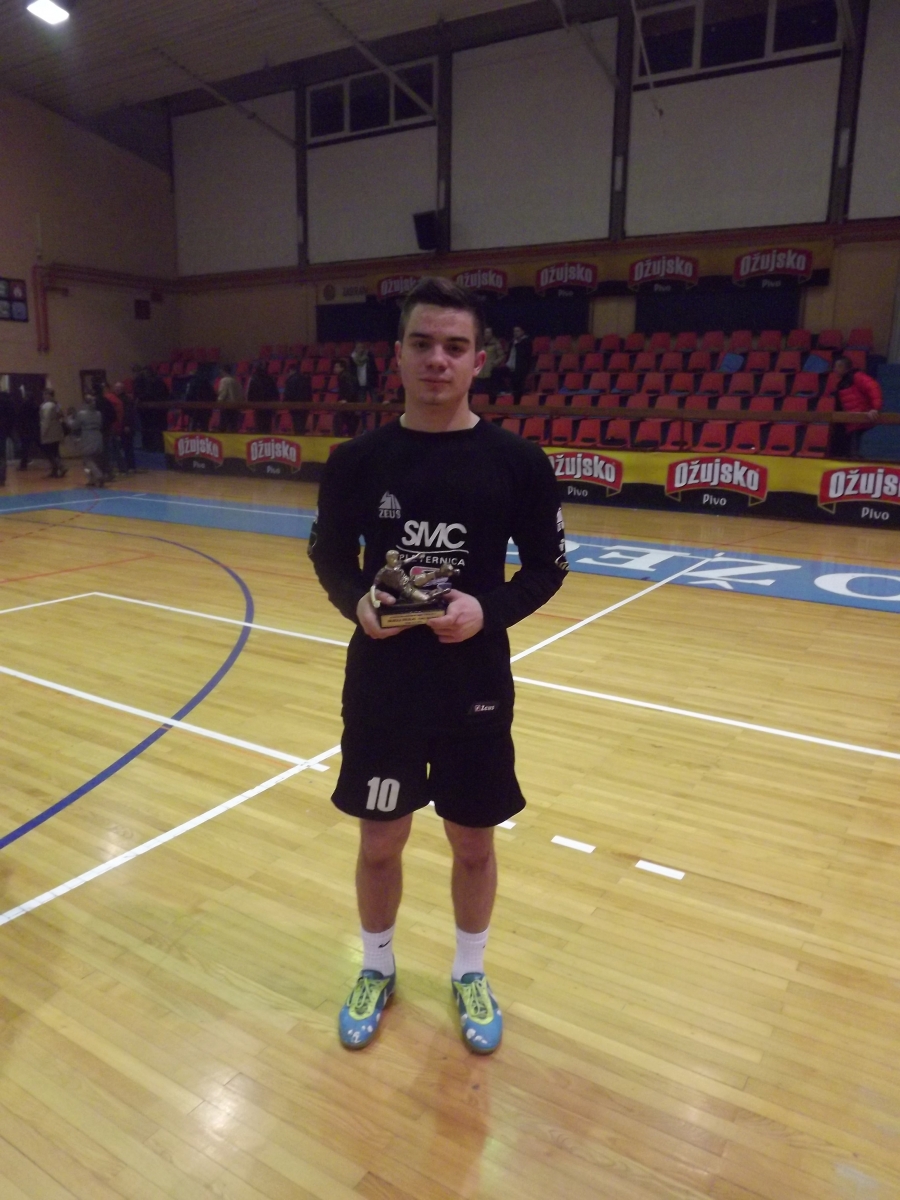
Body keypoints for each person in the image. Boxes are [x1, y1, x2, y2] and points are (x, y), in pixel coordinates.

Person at [309, 277, 568, 1054]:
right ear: (397, 354)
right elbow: (329, 555)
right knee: (379, 842)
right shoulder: (356, 460)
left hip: (473, 683)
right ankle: (376, 966)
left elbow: (547, 568)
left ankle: (469, 971)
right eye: (422, 343)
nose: (437, 360)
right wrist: (355, 601)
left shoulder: (518, 462)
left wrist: (488, 610)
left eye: (455, 347)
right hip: (384, 683)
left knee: (474, 844)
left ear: (479, 360)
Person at [831, 356, 883, 460]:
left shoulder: (857, 377)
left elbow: (873, 388)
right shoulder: (844, 381)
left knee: (853, 450)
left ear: (843, 367)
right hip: (849, 420)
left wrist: (875, 408)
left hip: (858, 419)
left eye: (837, 367)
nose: (835, 369)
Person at [66, 392, 105, 487]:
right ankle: (92, 479)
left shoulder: (82, 414)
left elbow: (74, 426)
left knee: (87, 459)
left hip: (88, 436)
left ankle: (98, 475)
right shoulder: (98, 414)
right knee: (95, 459)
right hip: (98, 436)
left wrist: (69, 419)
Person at [39, 386, 68, 479]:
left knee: (49, 451)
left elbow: (46, 420)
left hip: (49, 431)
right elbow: (61, 415)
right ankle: (55, 470)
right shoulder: (57, 404)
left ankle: (61, 467)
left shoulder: (47, 406)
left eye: (45, 394)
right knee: (55, 450)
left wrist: (43, 432)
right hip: (57, 430)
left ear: (48, 395)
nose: (43, 396)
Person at [499, 325, 533, 401]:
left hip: (520, 368)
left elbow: (525, 355)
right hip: (510, 366)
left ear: (522, 332)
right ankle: (504, 391)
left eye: (517, 331)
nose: (515, 333)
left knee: (517, 387)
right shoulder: (512, 342)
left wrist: (517, 344)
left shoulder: (526, 342)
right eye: (514, 331)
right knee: (496, 372)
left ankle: (516, 401)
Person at [473, 326, 505, 399]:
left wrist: (494, 363)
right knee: (478, 395)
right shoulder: (480, 343)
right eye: (486, 332)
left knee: (489, 394)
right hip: (480, 372)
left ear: (491, 334)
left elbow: (502, 355)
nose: (487, 334)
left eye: (489, 332)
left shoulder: (496, 343)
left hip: (490, 372)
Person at [282, 363, 312, 433]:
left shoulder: (290, 380)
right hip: (305, 406)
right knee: (302, 425)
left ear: (291, 370)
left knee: (297, 426)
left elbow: (288, 394)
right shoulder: (305, 379)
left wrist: (285, 402)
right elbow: (309, 393)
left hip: (295, 407)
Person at [334, 358, 359, 438]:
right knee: (348, 421)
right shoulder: (344, 375)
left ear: (342, 368)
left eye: (337, 367)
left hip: (348, 403)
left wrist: (346, 399)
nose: (335, 369)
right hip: (349, 402)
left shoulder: (344, 376)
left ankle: (338, 437)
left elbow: (350, 388)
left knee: (341, 420)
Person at [116, 381, 137, 474]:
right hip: (120, 426)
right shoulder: (117, 399)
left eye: (118, 388)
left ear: (122, 389)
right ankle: (125, 466)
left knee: (128, 447)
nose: (116, 390)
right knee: (123, 447)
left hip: (126, 426)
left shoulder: (126, 400)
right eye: (116, 388)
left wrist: (127, 425)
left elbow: (129, 413)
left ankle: (131, 466)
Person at [216, 365, 244, 433]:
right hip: (235, 408)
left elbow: (223, 394)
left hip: (226, 407)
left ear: (223, 371)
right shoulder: (236, 381)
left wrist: (218, 403)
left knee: (223, 429)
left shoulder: (224, 380)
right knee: (233, 428)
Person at [0, 380, 13, 485]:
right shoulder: (8, 401)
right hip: (3, 431)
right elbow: (12, 417)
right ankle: (2, 478)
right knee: (2, 456)